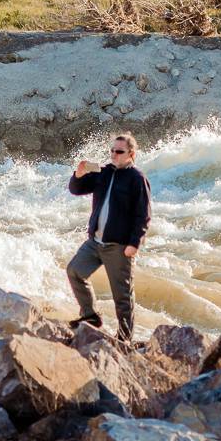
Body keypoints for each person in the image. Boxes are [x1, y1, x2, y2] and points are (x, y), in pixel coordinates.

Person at [66, 132, 151, 341]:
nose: (114, 154)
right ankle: (90, 315)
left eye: (119, 151)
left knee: (122, 297)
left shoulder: (137, 178)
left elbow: (143, 215)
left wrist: (135, 243)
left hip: (119, 246)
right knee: (74, 271)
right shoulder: (103, 172)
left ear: (131, 154)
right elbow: (76, 189)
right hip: (95, 242)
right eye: (112, 150)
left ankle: (124, 339)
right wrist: (78, 174)